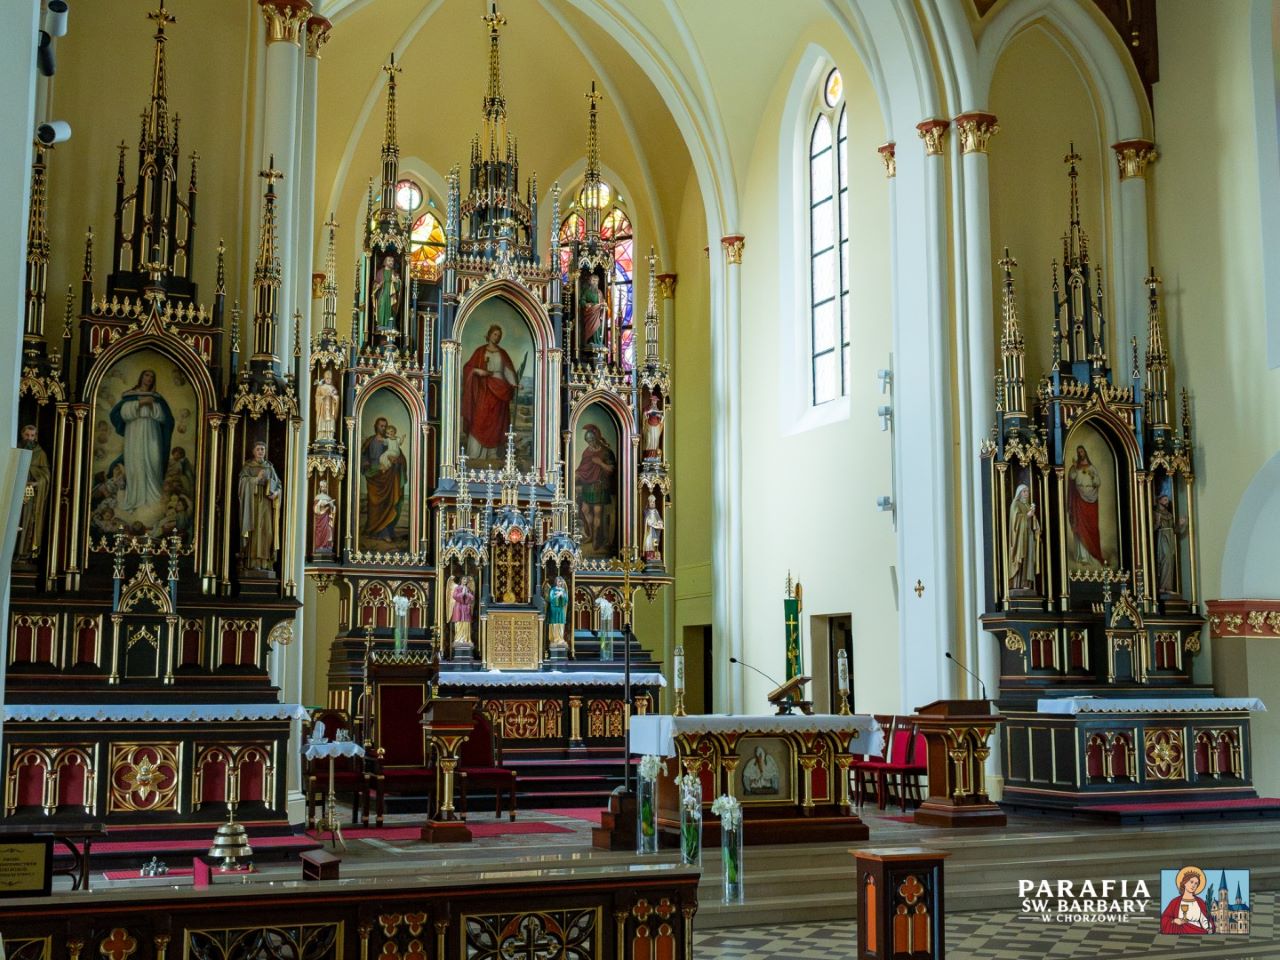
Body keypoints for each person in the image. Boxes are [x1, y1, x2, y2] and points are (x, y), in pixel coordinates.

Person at [109, 368, 174, 514]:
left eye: (152, 376)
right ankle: (134, 499)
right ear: (141, 377)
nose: (149, 378)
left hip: (152, 431)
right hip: (134, 431)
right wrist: (141, 403)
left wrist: (152, 405)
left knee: (153, 460)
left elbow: (164, 417)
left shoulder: (156, 397)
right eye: (146, 375)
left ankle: (154, 499)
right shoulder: (130, 395)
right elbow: (124, 413)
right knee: (136, 461)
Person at [461, 323, 519, 462]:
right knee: (480, 418)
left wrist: (514, 383)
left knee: (497, 422)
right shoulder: (480, 351)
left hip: (500, 388)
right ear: (489, 334)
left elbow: (508, 370)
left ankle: (493, 454)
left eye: (499, 335)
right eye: (495, 334)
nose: (497, 337)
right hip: (484, 388)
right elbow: (468, 368)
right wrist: (477, 370)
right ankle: (475, 453)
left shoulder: (502, 353)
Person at [238, 441, 282, 574]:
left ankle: (266, 563)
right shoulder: (248, 467)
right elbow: (242, 484)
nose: (260, 451)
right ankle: (252, 563)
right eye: (258, 449)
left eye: (262, 449)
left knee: (267, 531)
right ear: (253, 451)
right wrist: (256, 479)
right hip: (252, 504)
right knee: (254, 530)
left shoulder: (269, 467)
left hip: (267, 504)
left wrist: (276, 493)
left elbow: (279, 485)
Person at [360, 417, 406, 543]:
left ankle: (386, 531)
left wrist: (396, 460)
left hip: (388, 478)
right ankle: (373, 530)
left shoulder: (390, 441)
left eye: (385, 426)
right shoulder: (370, 441)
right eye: (381, 426)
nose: (384, 428)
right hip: (374, 476)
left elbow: (399, 456)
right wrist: (366, 463)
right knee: (374, 505)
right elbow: (362, 455)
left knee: (388, 504)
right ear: (376, 426)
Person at [576, 423, 617, 553]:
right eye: (588, 441)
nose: (590, 443)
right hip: (588, 485)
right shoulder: (587, 452)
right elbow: (583, 469)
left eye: (592, 440)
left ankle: (596, 539)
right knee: (585, 509)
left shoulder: (606, 452)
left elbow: (611, 469)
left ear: (597, 438)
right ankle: (591, 534)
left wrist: (600, 463)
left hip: (600, 485)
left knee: (597, 512)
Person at [16, 424, 50, 562]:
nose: (29, 438)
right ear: (22, 434)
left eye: (32, 435)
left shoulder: (40, 453)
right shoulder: (16, 448)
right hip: (15, 490)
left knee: (27, 519)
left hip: (30, 492)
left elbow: (46, 475)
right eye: (27, 435)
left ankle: (23, 552)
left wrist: (36, 482)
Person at [1067, 444, 1105, 566]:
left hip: (1091, 499)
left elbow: (1097, 482)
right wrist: (1074, 468)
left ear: (1085, 453)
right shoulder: (1075, 467)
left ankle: (1092, 554)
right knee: (1079, 525)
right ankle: (1082, 556)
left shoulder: (1092, 468)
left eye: (1082, 451)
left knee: (1091, 526)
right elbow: (1072, 477)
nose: (1080, 454)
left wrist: (1093, 477)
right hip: (1079, 499)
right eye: (1078, 452)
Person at [1006, 483, 1040, 592]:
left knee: (1029, 558)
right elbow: (1015, 521)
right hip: (1019, 537)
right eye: (1024, 491)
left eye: (1027, 491)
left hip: (1029, 535)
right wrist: (1027, 516)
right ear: (1019, 493)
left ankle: (1026, 582)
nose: (1026, 493)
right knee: (1021, 556)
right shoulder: (1015, 504)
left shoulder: (1027, 505)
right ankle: (1017, 583)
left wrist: (1033, 518)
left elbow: (1033, 521)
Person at [1161, 865, 1213, 934]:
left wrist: (1209, 928)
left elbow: (1204, 919)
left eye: (1196, 883)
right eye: (1191, 882)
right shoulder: (1175, 902)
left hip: (1197, 932)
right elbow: (1164, 918)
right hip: (1179, 932)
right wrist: (1174, 921)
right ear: (1185, 883)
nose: (1193, 885)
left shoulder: (1200, 902)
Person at [1154, 492, 1187, 597]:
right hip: (1162, 537)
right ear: (1159, 501)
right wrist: (1157, 522)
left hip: (1170, 537)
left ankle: (1167, 587)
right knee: (1165, 559)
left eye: (1167, 500)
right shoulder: (1155, 513)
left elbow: (1175, 530)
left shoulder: (1169, 515)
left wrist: (1180, 524)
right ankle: (1162, 586)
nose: (1167, 502)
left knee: (1171, 560)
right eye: (1164, 500)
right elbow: (1152, 529)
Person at [371, 254, 401, 329]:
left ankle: (390, 326)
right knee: (382, 305)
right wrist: (377, 285)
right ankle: (381, 324)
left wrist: (396, 281)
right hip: (382, 292)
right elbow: (375, 282)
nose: (391, 262)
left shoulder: (394, 273)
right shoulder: (380, 272)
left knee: (391, 307)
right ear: (385, 262)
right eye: (389, 260)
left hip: (391, 293)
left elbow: (399, 285)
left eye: (392, 261)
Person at [580, 272, 606, 350]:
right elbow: (582, 300)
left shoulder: (599, 292)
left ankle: (598, 342)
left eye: (596, 281)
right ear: (590, 281)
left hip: (598, 312)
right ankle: (591, 341)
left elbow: (602, 301)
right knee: (591, 327)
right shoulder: (587, 291)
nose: (595, 282)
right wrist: (586, 304)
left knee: (598, 327)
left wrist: (603, 304)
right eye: (593, 280)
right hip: (590, 313)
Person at [448, 576, 475, 648]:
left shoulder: (468, 589)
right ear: (461, 580)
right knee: (459, 623)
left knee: (466, 623)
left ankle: (466, 639)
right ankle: (458, 639)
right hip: (459, 608)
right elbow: (454, 596)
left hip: (466, 608)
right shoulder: (457, 588)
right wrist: (462, 594)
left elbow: (472, 598)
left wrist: (467, 594)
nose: (465, 581)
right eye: (463, 579)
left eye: (466, 579)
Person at [314, 370, 340, 443]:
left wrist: (333, 396)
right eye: (327, 378)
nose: (328, 380)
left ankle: (330, 436)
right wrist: (323, 397)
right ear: (324, 379)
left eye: (330, 379)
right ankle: (321, 436)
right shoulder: (320, 387)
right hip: (322, 408)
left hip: (330, 408)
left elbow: (337, 398)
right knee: (322, 420)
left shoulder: (332, 388)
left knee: (330, 420)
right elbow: (317, 397)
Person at [312, 479, 337, 554]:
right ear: (321, 487)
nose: (325, 488)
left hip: (326, 517)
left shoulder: (328, 497)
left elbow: (332, 509)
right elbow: (315, 509)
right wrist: (320, 504)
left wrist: (332, 506)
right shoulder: (317, 497)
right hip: (320, 518)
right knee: (319, 531)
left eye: (326, 487)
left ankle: (326, 545)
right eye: (324, 487)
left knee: (328, 531)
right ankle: (319, 546)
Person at [547, 576, 569, 650]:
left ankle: (560, 638)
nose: (560, 583)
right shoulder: (553, 590)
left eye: (561, 582)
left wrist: (562, 595)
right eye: (559, 581)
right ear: (556, 582)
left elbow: (566, 600)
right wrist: (557, 595)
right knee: (555, 623)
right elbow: (551, 599)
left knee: (561, 623)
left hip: (561, 608)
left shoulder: (563, 590)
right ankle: (554, 639)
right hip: (554, 608)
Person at [642, 495, 664, 562]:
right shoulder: (646, 511)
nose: (652, 503)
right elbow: (647, 520)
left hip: (655, 530)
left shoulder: (656, 511)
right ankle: (649, 555)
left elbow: (659, 519)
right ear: (648, 503)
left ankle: (655, 555)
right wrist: (651, 523)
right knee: (648, 541)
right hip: (649, 530)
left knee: (655, 542)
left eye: (653, 502)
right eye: (651, 502)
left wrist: (660, 523)